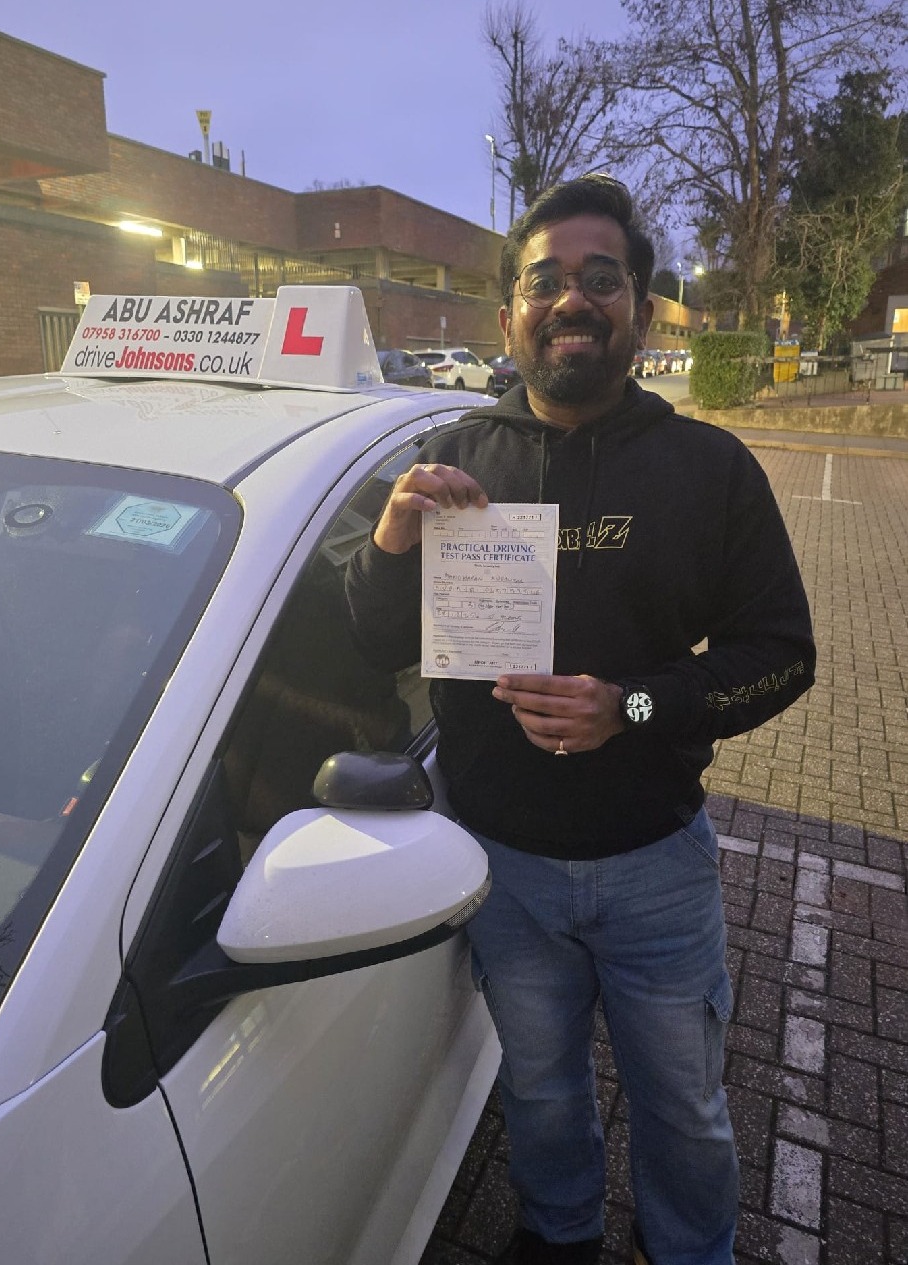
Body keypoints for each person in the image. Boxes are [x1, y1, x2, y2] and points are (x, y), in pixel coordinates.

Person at [345, 175, 815, 1265]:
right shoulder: (454, 462)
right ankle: (558, 1236)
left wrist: (633, 705)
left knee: (686, 1109)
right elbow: (374, 643)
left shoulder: (708, 468)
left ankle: (689, 1249)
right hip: (500, 868)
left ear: (638, 311)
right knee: (541, 1091)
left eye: (601, 280)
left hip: (655, 865)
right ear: (508, 313)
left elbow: (780, 656)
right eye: (545, 280)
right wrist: (391, 541)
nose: (572, 299)